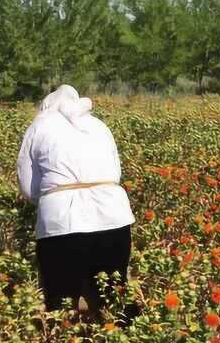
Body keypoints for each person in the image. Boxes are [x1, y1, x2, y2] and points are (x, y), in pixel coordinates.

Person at [17, 85, 135, 315]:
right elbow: (116, 173)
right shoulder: (99, 126)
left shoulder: (39, 126)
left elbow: (27, 185)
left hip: (60, 223)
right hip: (112, 216)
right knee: (114, 296)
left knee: (61, 301)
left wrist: (52, 196)